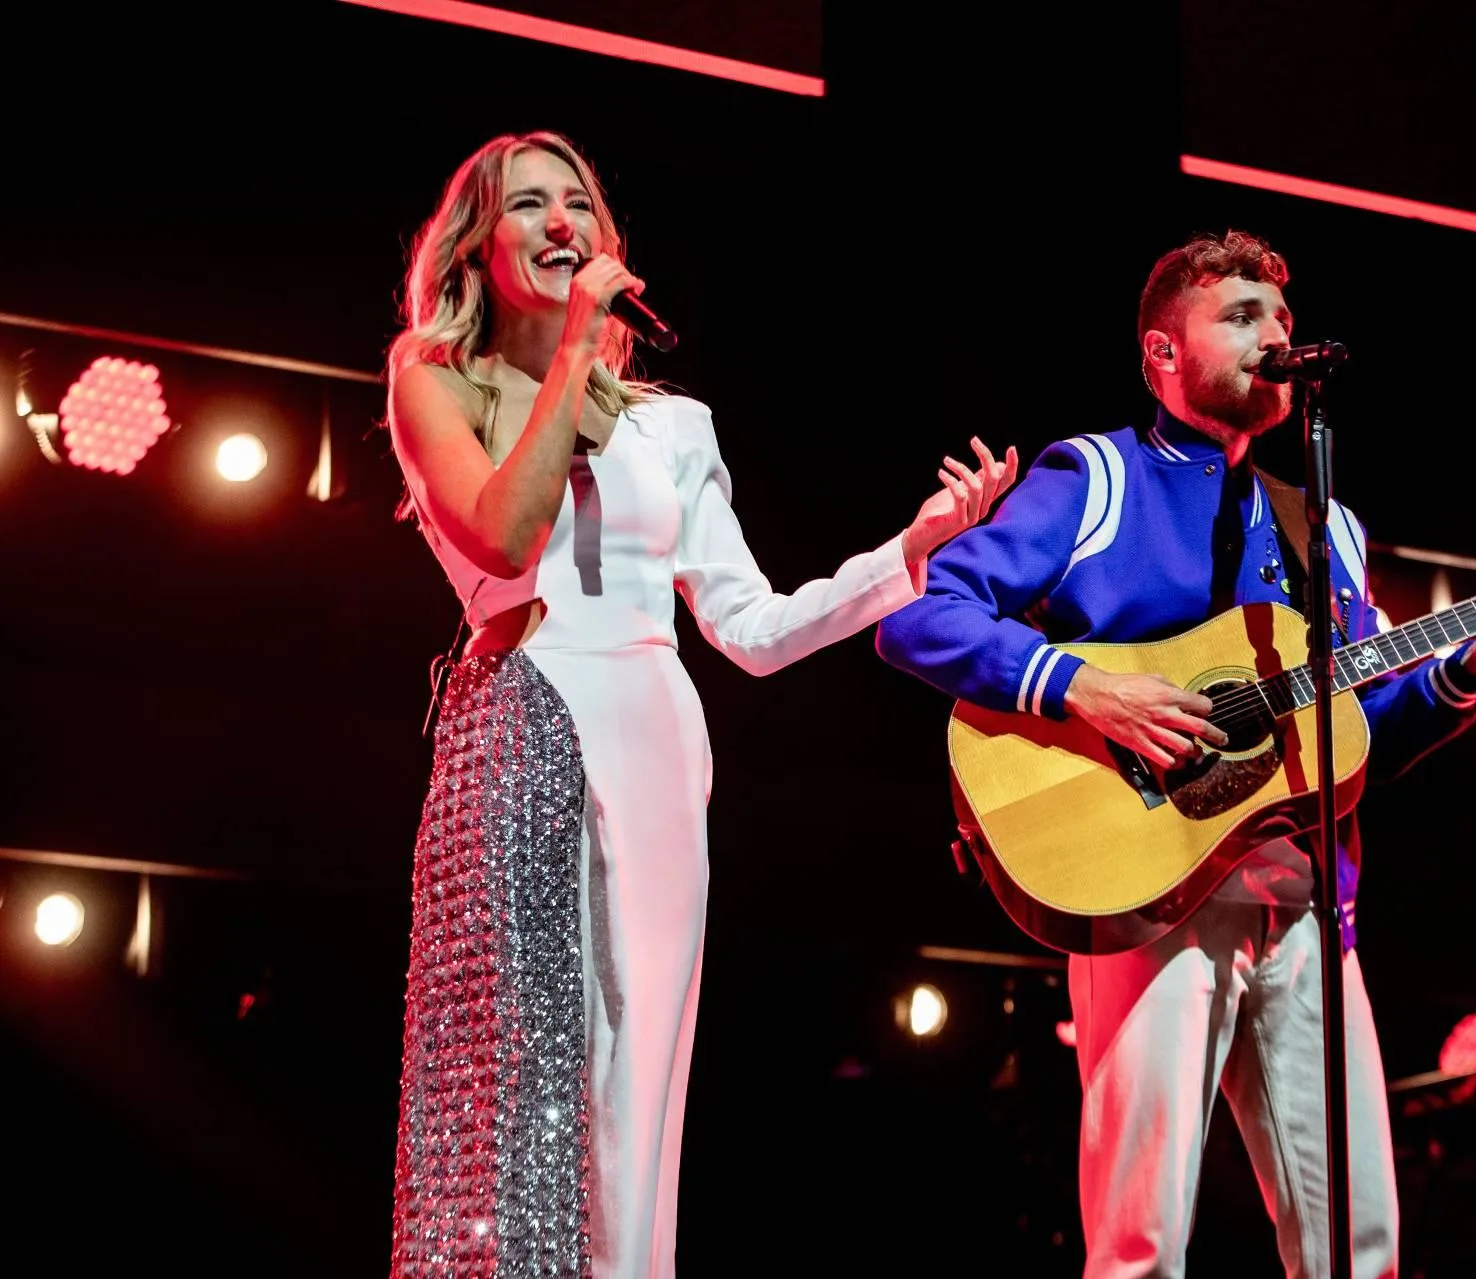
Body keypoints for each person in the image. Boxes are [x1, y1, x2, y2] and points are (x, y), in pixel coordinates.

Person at [874, 229, 1476, 1278]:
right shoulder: (1096, 477)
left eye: (1282, 320)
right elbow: (923, 620)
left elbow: (1359, 738)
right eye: (1241, 317)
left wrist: (1474, 662)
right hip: (1143, 887)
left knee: (1358, 1244)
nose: (1274, 335)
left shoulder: (1325, 527)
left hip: (1305, 902)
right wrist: (1089, 687)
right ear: (1163, 355)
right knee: (1142, 1245)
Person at [381, 131, 1015, 1278]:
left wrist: (907, 554)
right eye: (529, 204)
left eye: (580, 202)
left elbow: (754, 629)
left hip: (658, 733)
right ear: (479, 242)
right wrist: (576, 349)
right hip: (522, 718)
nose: (562, 223)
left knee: (643, 1070)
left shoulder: (674, 427)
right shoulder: (433, 380)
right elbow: (505, 534)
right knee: (524, 1069)